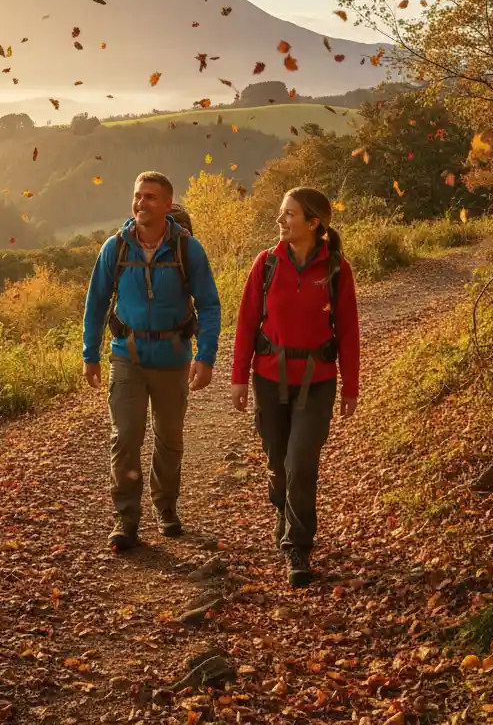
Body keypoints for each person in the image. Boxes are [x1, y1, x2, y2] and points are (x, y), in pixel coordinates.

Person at [83, 171, 222, 551]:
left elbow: (209, 305)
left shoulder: (187, 249)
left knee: (169, 438)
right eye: (137, 195)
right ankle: (126, 519)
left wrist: (205, 357)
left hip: (173, 357)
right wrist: (89, 354)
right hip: (126, 356)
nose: (141, 203)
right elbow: (96, 302)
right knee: (125, 438)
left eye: (149, 197)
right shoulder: (116, 247)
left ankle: (166, 508)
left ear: (166, 204)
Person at [229, 187, 360, 587]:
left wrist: (350, 387)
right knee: (278, 465)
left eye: (289, 214)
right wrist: (237, 378)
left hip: (317, 382)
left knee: (300, 463)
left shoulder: (337, 269)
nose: (281, 220)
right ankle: (283, 512)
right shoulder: (265, 264)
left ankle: (298, 546)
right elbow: (247, 323)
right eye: (280, 213)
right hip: (269, 379)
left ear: (313, 222)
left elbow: (349, 331)